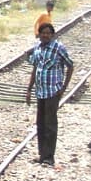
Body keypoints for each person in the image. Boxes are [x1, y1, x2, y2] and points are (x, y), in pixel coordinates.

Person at [25, 23, 74, 167]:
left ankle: (49, 157)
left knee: (50, 124)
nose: (45, 35)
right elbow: (35, 68)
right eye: (43, 33)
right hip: (40, 91)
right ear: (39, 34)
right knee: (40, 124)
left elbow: (70, 66)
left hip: (53, 92)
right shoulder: (37, 48)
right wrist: (29, 89)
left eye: (48, 33)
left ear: (52, 35)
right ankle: (42, 154)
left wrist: (63, 88)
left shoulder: (59, 48)